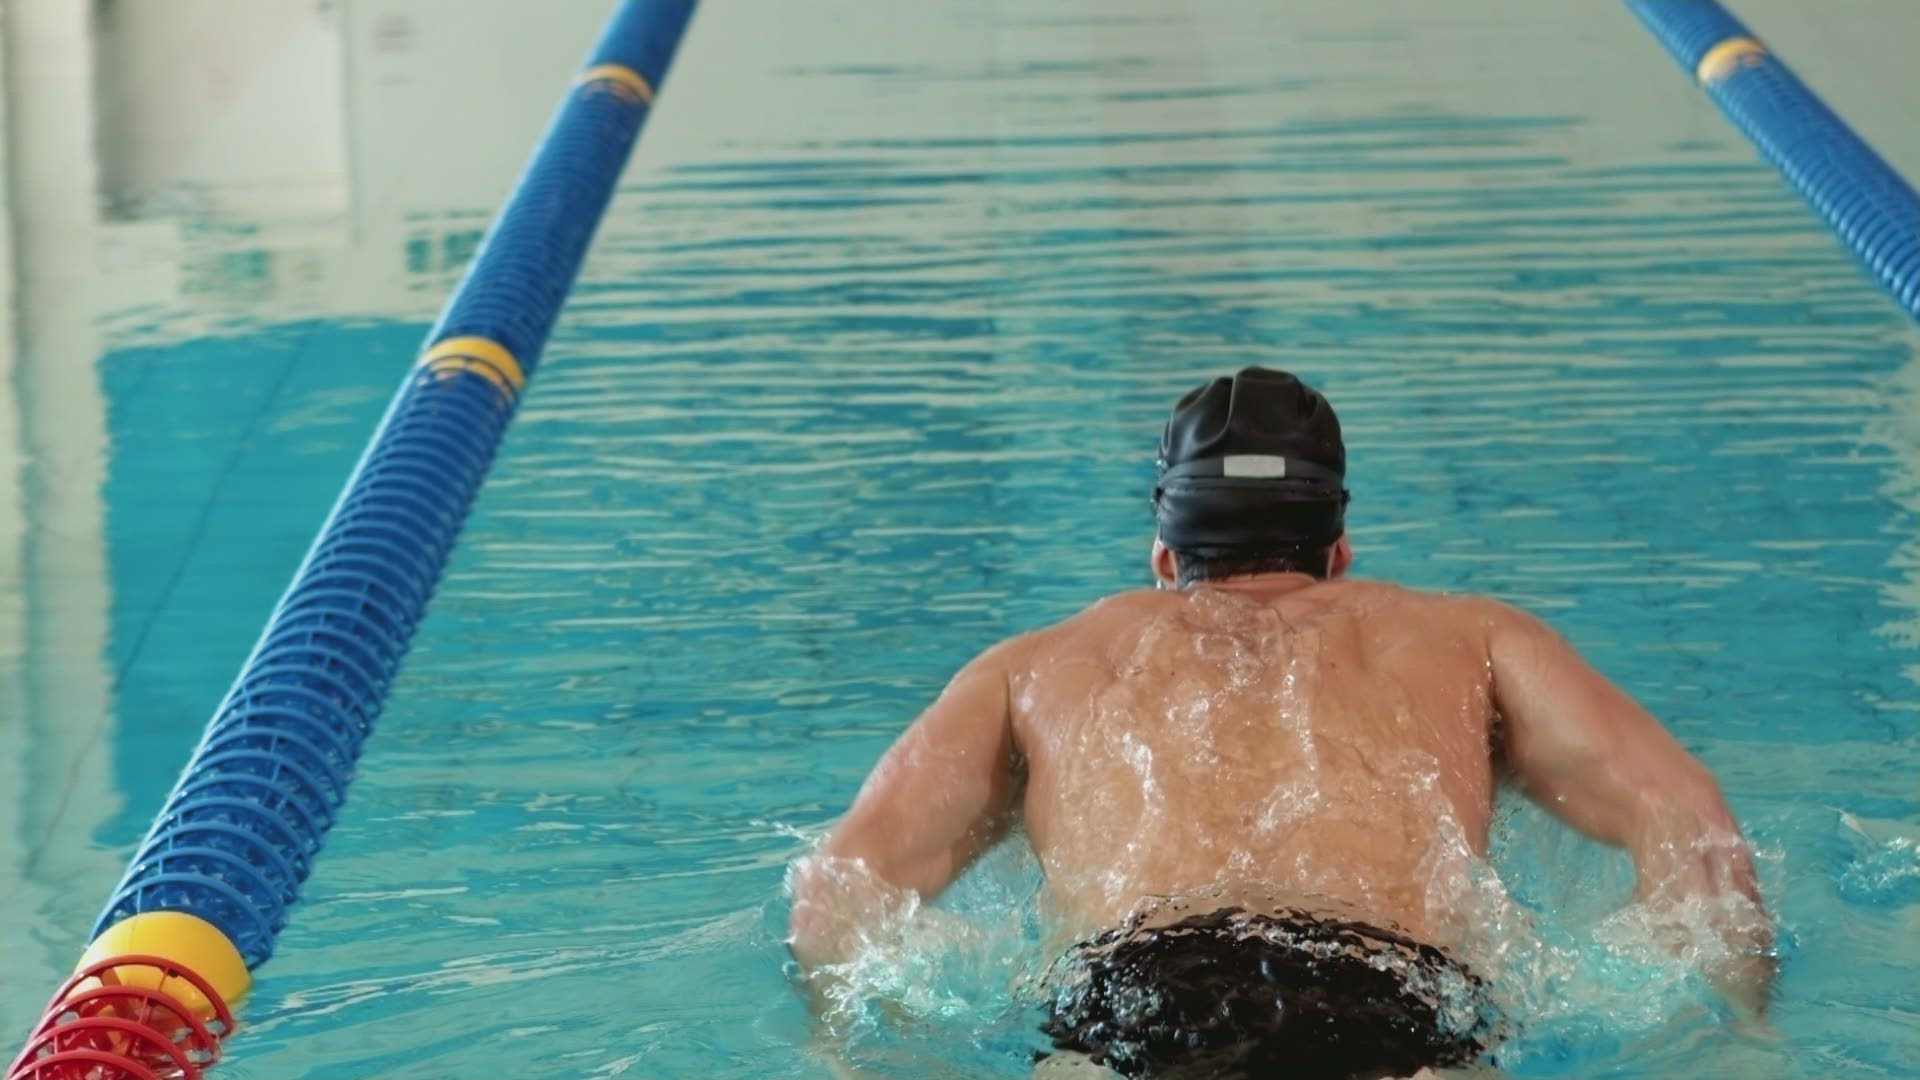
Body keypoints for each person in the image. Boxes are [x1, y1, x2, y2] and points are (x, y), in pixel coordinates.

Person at [787, 367, 1774, 1079]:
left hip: (1135, 1001)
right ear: (1338, 552)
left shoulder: (1034, 668)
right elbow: (1691, 822)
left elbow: (837, 896)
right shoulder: (1473, 638)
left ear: (1165, 559)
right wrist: (1740, 1032)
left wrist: (843, 1052)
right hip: (1393, 997)